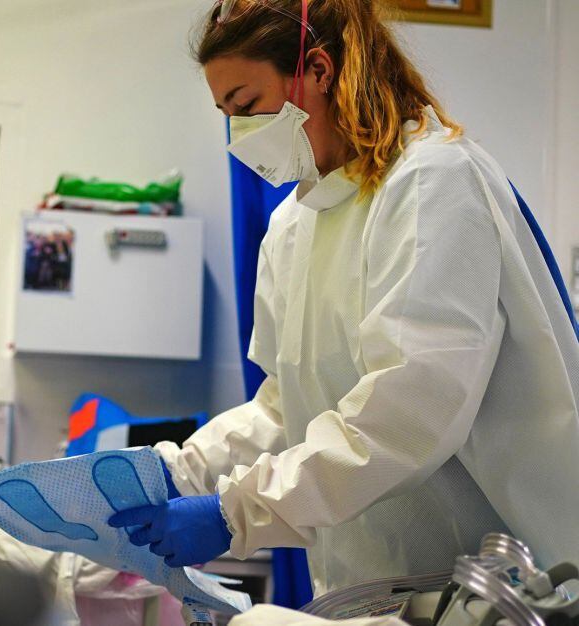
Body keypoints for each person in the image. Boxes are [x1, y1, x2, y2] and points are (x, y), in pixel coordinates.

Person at [109, 0, 579, 595]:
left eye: (247, 106)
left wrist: (237, 514)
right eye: (226, 113)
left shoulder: (435, 183)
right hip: (367, 590)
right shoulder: (293, 225)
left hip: (491, 586)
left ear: (320, 72)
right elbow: (288, 407)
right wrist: (176, 470)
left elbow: (408, 410)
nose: (240, 133)